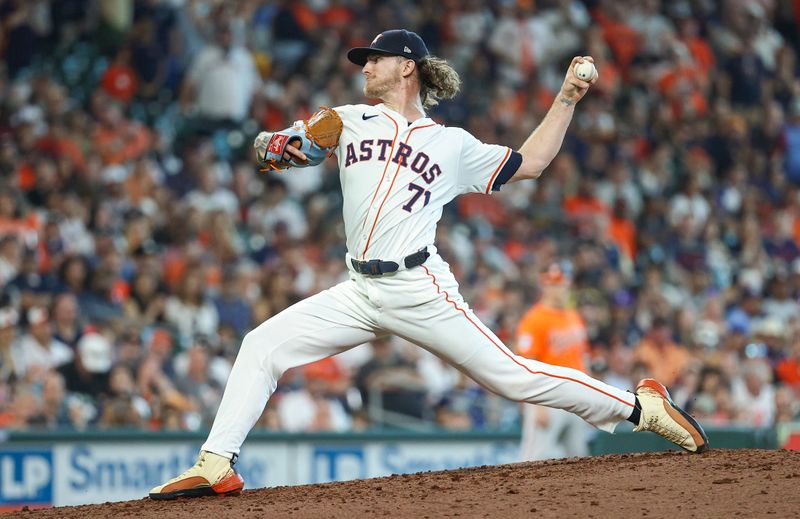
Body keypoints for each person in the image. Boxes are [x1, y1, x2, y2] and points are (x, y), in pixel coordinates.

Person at [149, 29, 708, 500]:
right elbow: (279, 147)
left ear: (406, 67)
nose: (365, 65)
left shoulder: (453, 145)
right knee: (260, 346)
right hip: (358, 290)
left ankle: (641, 408)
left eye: (374, 58)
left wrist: (566, 97)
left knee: (514, 378)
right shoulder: (346, 119)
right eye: (363, 59)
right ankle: (217, 462)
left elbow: (532, 162)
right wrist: (276, 145)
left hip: (419, 287)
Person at [515, 262, 592, 461]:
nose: (560, 289)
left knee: (580, 459)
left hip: (577, 395)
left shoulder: (573, 316)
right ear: (545, 287)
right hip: (549, 397)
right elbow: (528, 364)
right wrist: (536, 404)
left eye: (563, 284)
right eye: (554, 284)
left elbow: (582, 359)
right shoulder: (534, 319)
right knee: (532, 459)